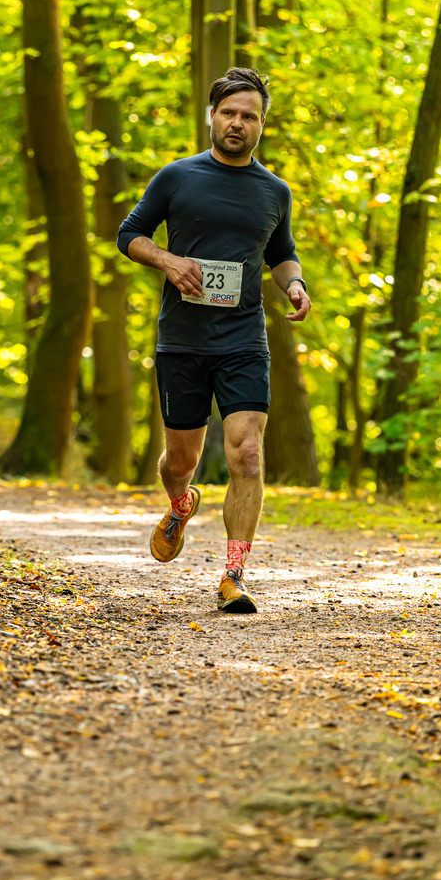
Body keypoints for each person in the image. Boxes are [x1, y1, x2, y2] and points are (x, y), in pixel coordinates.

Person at [117, 67, 311, 614]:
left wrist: (294, 283)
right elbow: (129, 234)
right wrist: (167, 260)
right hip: (182, 339)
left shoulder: (274, 190)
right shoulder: (177, 177)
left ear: (261, 125)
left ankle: (233, 576)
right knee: (180, 459)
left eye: (249, 116)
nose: (237, 123)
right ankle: (181, 504)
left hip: (244, 338)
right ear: (211, 116)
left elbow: (281, 252)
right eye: (229, 112)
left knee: (248, 452)